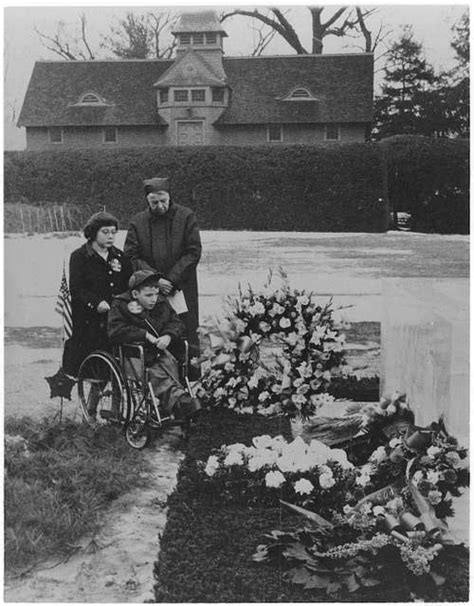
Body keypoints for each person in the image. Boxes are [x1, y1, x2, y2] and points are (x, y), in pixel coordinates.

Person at [124, 177, 202, 378]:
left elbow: (193, 252)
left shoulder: (186, 217)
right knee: (155, 335)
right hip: (150, 290)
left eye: (163, 201)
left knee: (184, 333)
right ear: (147, 202)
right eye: (154, 203)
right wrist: (155, 280)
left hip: (181, 289)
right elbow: (131, 255)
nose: (160, 206)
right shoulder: (137, 222)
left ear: (170, 197)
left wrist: (172, 280)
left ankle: (188, 384)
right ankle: (160, 386)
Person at [108, 269, 199, 422]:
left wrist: (168, 335)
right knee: (155, 374)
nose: (154, 299)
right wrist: (144, 335)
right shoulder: (121, 305)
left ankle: (177, 404)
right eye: (149, 295)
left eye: (156, 294)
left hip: (160, 351)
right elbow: (115, 331)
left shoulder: (161, 302)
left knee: (171, 365)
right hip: (134, 354)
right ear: (136, 294)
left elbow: (176, 322)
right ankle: (179, 402)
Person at [62, 211, 132, 379]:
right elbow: (77, 289)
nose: (110, 236)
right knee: (94, 369)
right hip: (89, 317)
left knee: (117, 366)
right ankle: (91, 403)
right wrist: (96, 302)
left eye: (113, 232)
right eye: (105, 232)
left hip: (115, 315)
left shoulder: (120, 256)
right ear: (93, 233)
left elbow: (129, 283)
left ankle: (116, 401)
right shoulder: (79, 256)